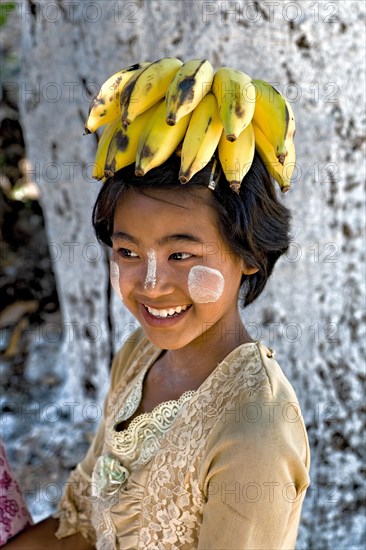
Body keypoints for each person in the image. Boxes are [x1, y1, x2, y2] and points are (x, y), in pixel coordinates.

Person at [5, 152, 310, 549]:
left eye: (180, 255)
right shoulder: (140, 355)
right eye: (128, 252)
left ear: (249, 254)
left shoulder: (254, 434)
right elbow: (82, 527)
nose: (151, 285)